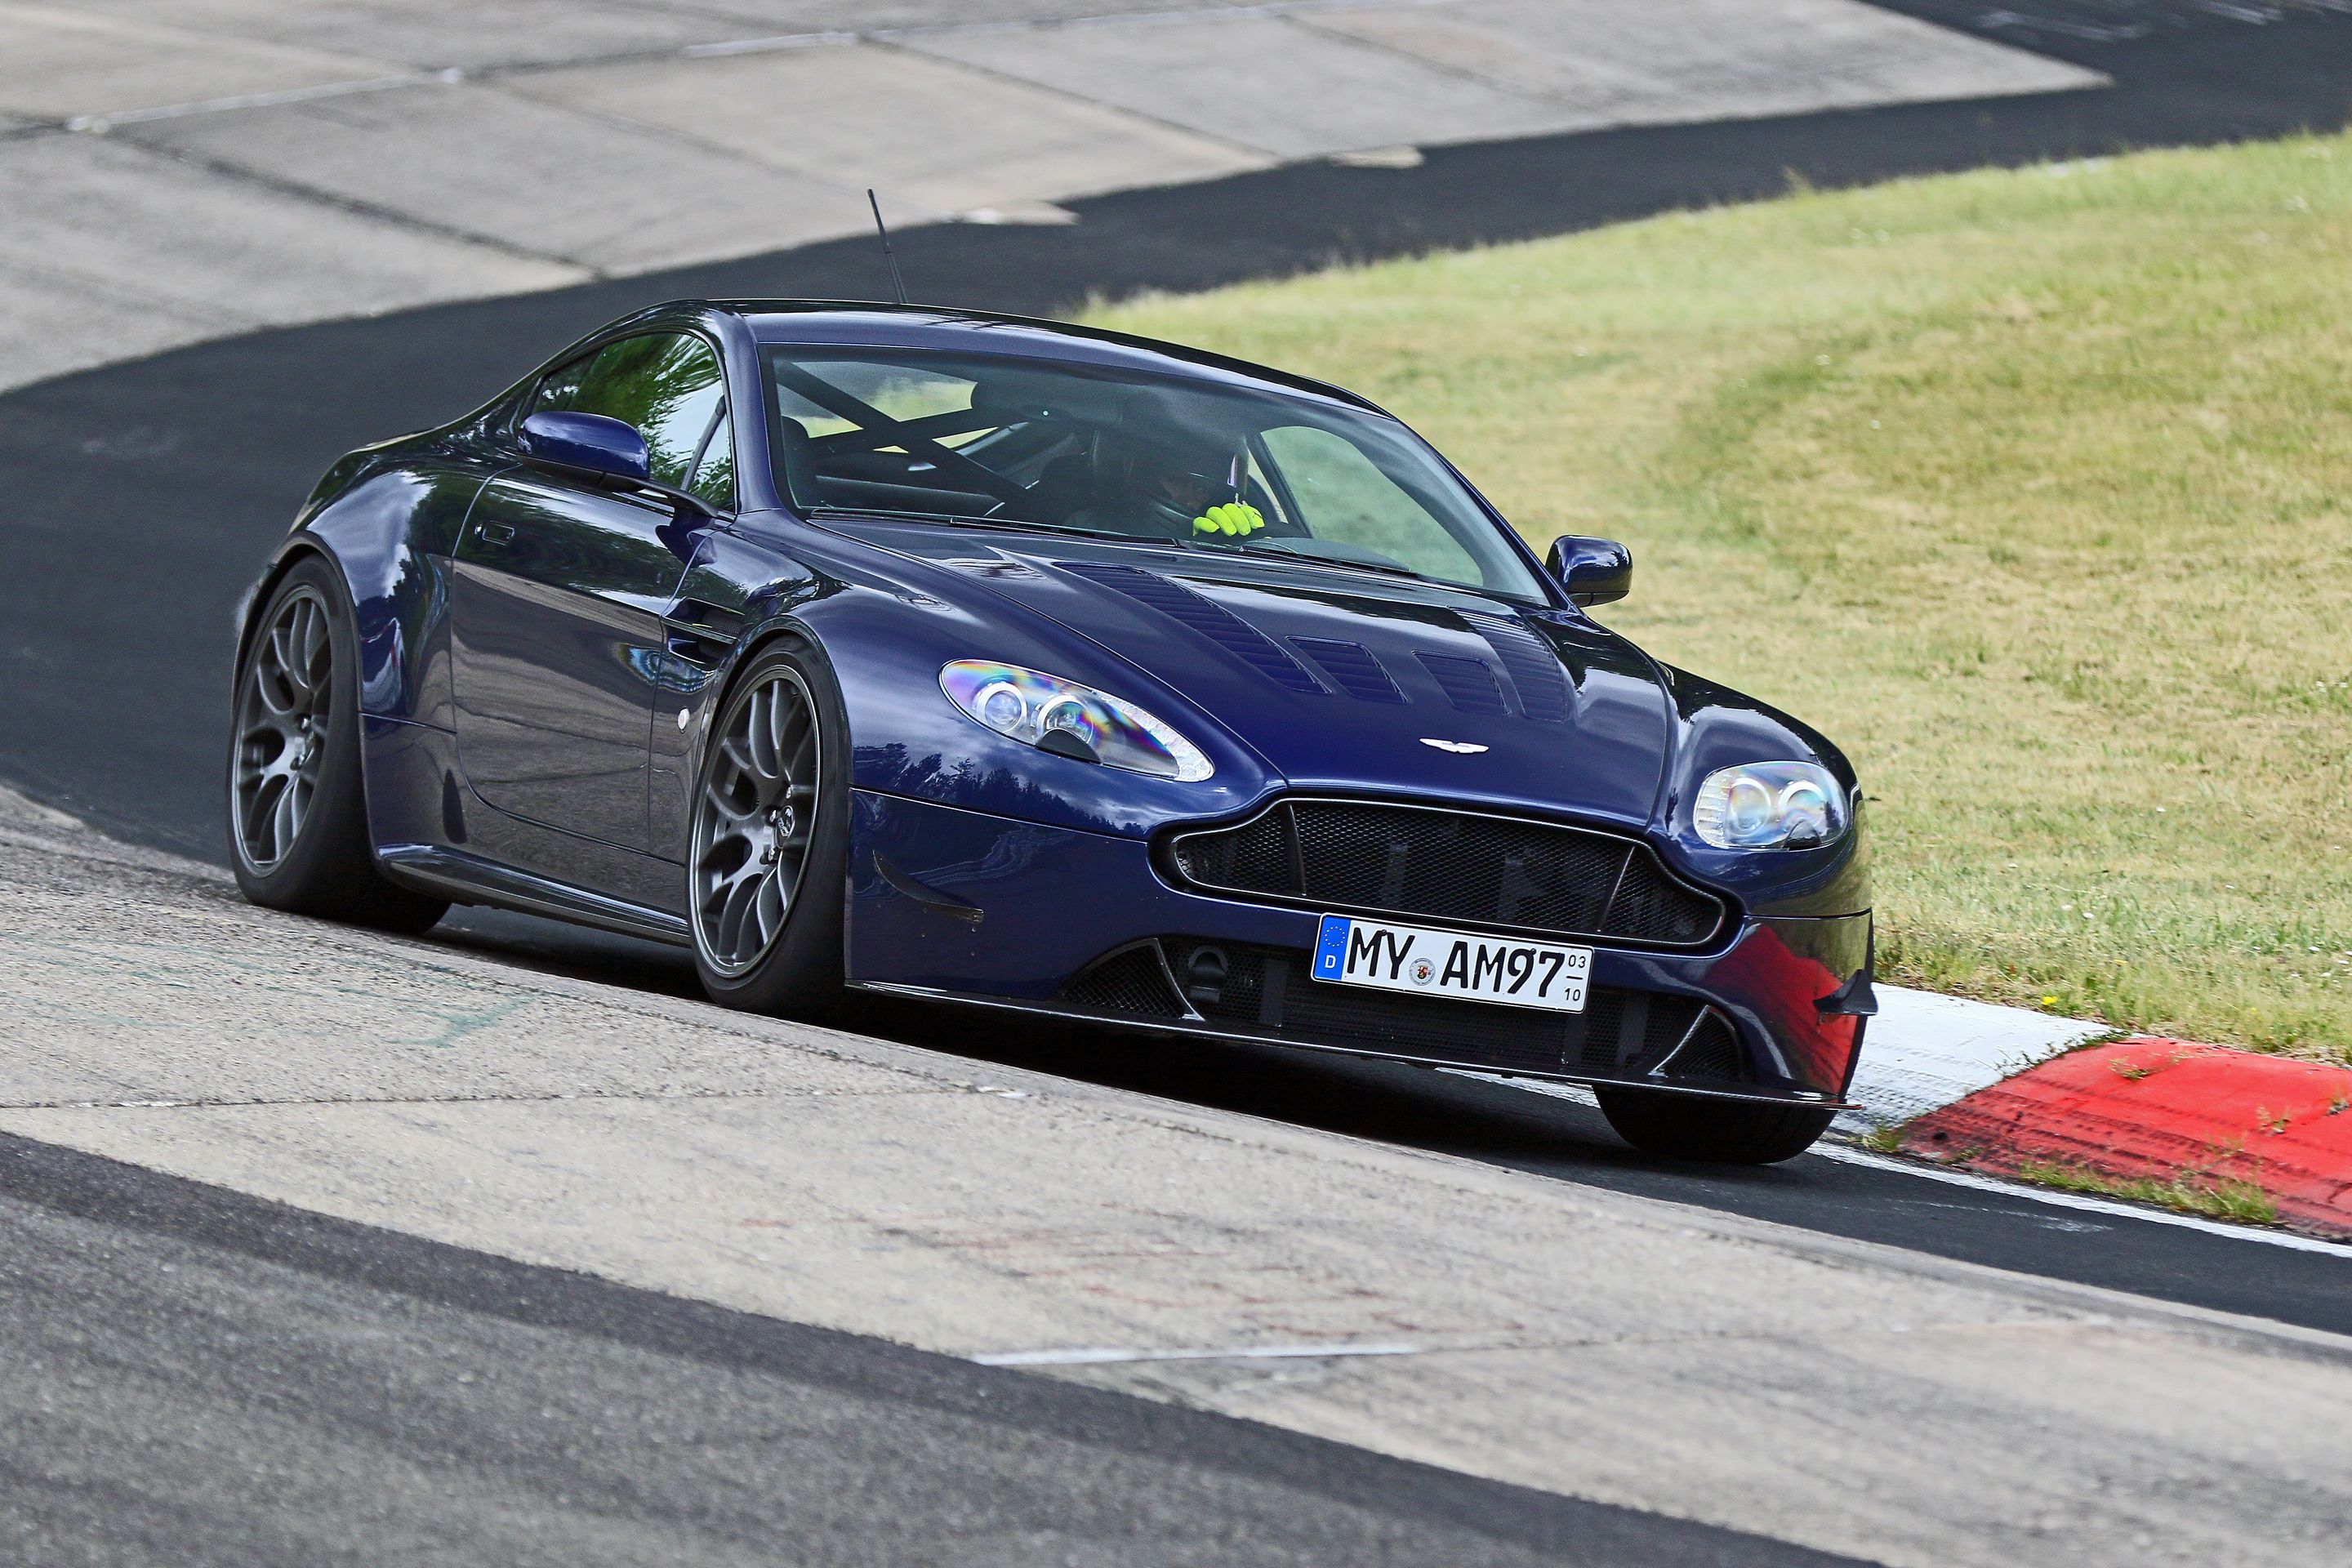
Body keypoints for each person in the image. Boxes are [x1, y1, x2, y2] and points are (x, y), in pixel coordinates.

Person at [1065, 434, 1267, 541]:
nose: (1189, 499)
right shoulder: (1089, 527)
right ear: (1143, 476)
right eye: (1175, 481)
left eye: (1204, 489)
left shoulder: (1222, 531)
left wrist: (1231, 548)